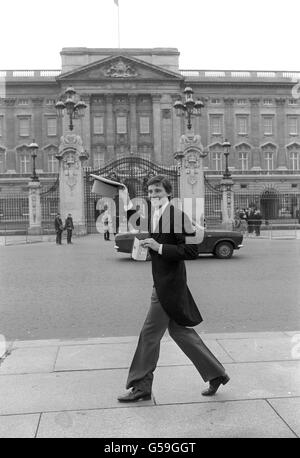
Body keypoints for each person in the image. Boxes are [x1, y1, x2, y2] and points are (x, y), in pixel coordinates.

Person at [118, 175, 229, 403]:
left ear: (168, 193)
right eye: (149, 192)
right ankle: (216, 374)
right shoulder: (155, 216)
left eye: (157, 191)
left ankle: (141, 385)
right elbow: (137, 222)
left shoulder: (177, 216)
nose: (153, 195)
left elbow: (190, 252)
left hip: (168, 287)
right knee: (180, 332)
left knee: (149, 334)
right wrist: (125, 200)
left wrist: (159, 247)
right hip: (164, 282)